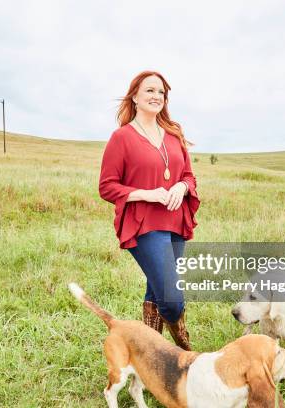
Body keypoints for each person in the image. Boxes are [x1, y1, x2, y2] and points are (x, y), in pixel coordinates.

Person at [99, 71, 200, 350]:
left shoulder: (173, 135)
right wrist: (147, 194)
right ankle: (184, 350)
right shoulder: (122, 138)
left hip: (175, 223)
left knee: (157, 289)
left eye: (161, 93)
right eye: (150, 91)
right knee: (171, 298)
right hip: (144, 224)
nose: (157, 97)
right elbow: (106, 186)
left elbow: (190, 177)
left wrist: (181, 187)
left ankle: (148, 357)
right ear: (135, 96)